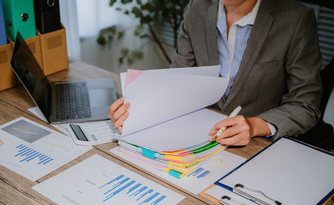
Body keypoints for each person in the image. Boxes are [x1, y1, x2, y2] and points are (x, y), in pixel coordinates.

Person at [108, 0, 322, 146]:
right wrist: (134, 111)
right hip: (199, 140)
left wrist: (254, 125)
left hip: (258, 148)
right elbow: (177, 82)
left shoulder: (296, 20)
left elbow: (306, 105)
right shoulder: (197, 8)